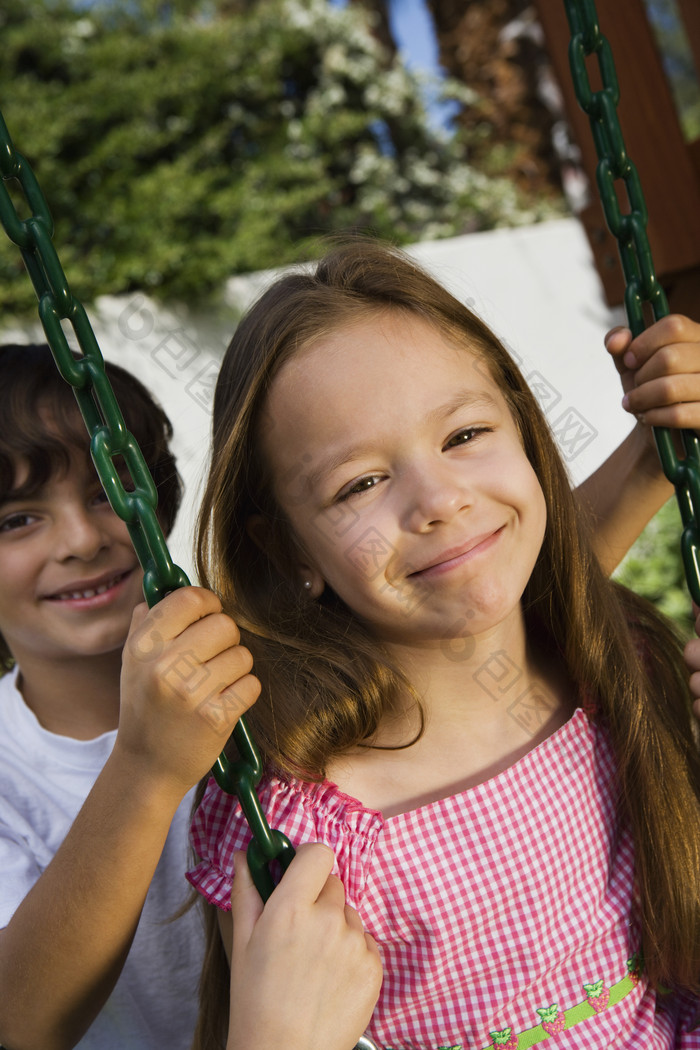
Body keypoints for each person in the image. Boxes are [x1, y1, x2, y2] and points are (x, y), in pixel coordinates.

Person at [185, 240, 700, 1050]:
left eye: (464, 435)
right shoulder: (302, 831)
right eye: (359, 483)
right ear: (289, 553)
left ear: (526, 434)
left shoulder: (606, 665)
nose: (439, 501)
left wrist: (658, 445)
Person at [0, 344, 262, 1050]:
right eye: (16, 520)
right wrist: (148, 765)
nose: (83, 540)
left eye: (103, 494)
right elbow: (20, 1023)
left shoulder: (254, 653)